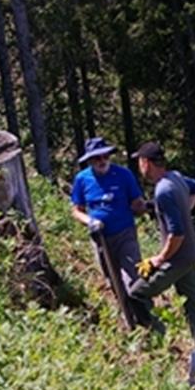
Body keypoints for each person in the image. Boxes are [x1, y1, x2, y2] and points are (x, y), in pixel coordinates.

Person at [127, 141, 195, 361]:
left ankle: (159, 342)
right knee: (193, 304)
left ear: (146, 163)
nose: (140, 167)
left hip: (178, 258)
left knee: (137, 295)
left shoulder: (163, 190)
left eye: (140, 162)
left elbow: (177, 234)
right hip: (191, 252)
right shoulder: (175, 178)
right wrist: (158, 207)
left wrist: (158, 259)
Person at [70, 136, 150, 326]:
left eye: (105, 156)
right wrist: (89, 221)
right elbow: (76, 210)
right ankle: (129, 322)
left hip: (125, 233)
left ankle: (147, 319)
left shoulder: (124, 175)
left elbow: (136, 202)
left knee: (133, 277)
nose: (102, 161)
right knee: (112, 280)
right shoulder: (82, 179)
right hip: (100, 238)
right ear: (90, 160)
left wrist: (144, 207)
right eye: (97, 158)